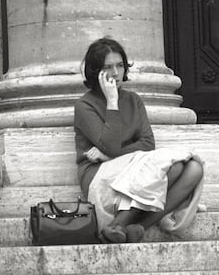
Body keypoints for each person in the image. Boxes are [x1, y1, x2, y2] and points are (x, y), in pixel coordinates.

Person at [74, 37, 204, 243]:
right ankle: (116, 225)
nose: (116, 73)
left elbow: (147, 143)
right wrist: (112, 102)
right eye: (108, 67)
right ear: (95, 71)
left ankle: (138, 226)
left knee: (194, 168)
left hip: (127, 164)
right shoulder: (84, 106)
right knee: (174, 167)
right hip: (98, 174)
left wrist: (109, 154)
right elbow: (110, 143)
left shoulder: (134, 100)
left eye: (120, 66)